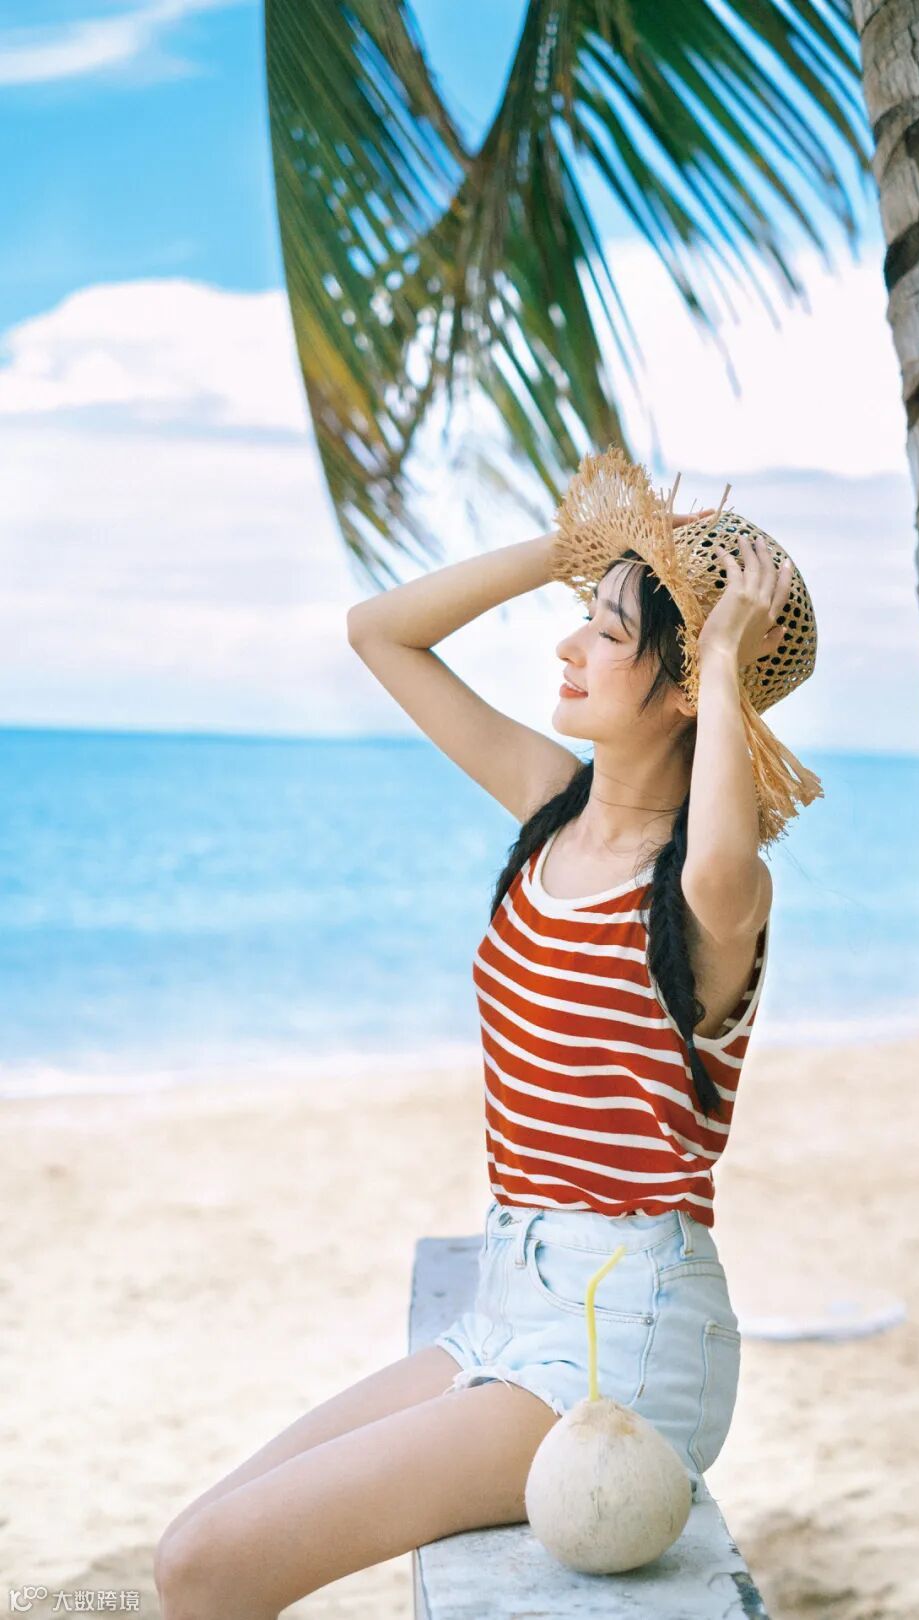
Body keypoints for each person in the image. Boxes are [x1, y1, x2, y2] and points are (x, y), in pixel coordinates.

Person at [154, 446, 822, 1618]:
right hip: (512, 1304)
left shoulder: (710, 891)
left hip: (622, 1336)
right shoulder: (554, 807)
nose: (567, 647)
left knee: (207, 1570)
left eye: (606, 633)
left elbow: (722, 851)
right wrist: (575, 554)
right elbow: (380, 634)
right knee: (192, 1553)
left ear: (684, 688)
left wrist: (720, 658)